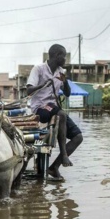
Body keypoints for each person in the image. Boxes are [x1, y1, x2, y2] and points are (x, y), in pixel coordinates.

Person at [26, 44, 83, 181]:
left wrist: (66, 82)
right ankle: (64, 154)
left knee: (78, 137)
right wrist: (44, 84)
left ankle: (54, 167)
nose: (65, 59)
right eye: (63, 56)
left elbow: (68, 94)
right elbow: (28, 90)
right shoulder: (38, 69)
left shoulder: (61, 72)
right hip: (40, 108)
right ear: (56, 55)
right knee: (61, 114)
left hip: (54, 108)